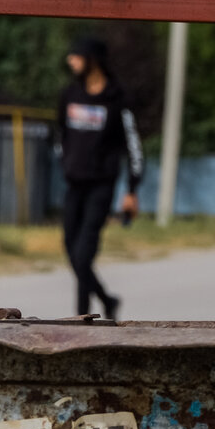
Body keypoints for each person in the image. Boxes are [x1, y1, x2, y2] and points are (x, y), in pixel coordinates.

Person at [58, 36, 144, 321]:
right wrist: (66, 162)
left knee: (83, 256)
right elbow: (62, 134)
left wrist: (132, 189)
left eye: (76, 56)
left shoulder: (117, 99)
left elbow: (133, 146)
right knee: (72, 250)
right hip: (74, 185)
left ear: (92, 61)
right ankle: (105, 301)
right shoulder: (70, 95)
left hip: (101, 188)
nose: (71, 62)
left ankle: (83, 315)